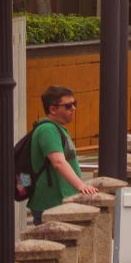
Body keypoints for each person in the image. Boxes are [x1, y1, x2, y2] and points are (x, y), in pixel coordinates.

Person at [27, 85, 101, 223]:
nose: (74, 108)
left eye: (74, 104)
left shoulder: (57, 128)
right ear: (53, 109)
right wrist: (82, 186)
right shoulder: (48, 129)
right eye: (68, 106)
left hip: (60, 202)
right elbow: (58, 162)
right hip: (51, 204)